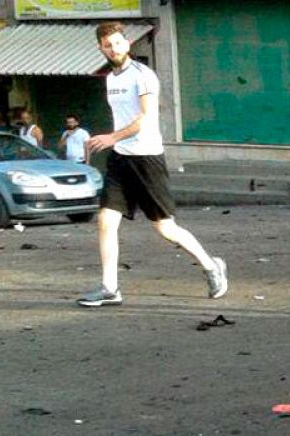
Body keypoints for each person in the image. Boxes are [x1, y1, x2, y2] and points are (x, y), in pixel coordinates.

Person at [79, 22, 227, 308]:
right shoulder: (110, 78)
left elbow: (146, 119)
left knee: (165, 228)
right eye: (108, 45)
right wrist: (113, 142)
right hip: (120, 158)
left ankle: (211, 266)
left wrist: (110, 137)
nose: (114, 49)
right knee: (106, 221)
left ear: (128, 44)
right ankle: (110, 288)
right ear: (101, 48)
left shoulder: (143, 76)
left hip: (147, 159)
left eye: (118, 43)